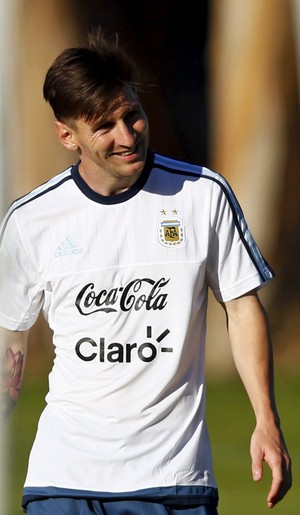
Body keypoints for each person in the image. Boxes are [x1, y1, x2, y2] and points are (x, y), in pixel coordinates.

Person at [0, 27, 292, 515]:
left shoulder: (202, 195)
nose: (127, 135)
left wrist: (267, 420)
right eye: (105, 127)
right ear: (67, 135)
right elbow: (10, 341)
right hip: (63, 480)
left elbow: (242, 308)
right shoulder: (32, 220)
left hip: (173, 481)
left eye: (131, 115)